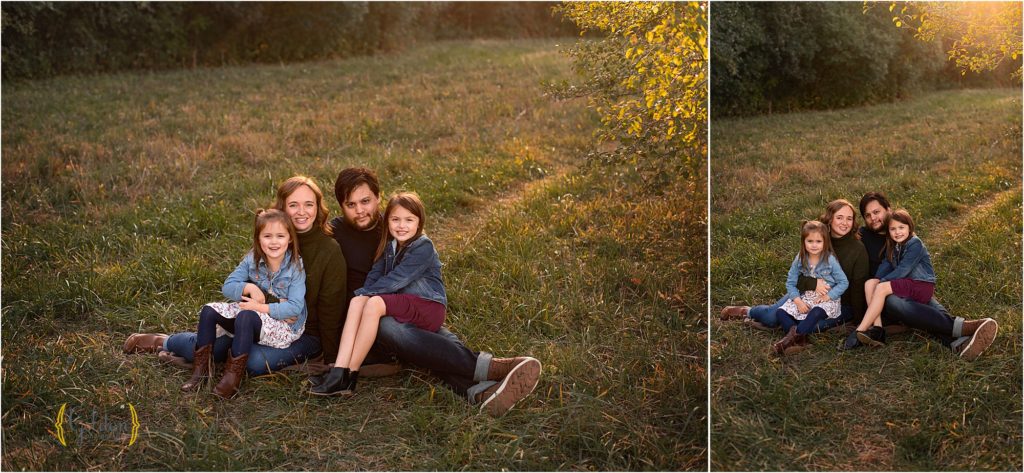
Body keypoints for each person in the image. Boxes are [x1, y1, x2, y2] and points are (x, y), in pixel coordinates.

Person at [325, 167, 543, 416]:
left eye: (366, 201)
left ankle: (480, 390)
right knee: (396, 328)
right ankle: (491, 371)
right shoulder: (335, 232)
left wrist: (367, 295)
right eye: (350, 204)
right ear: (341, 205)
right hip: (370, 321)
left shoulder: (396, 225)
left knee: (432, 339)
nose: (360, 210)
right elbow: (299, 240)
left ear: (378, 198)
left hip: (404, 306)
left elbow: (412, 270)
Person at [124, 176, 347, 375]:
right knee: (208, 349)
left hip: (304, 332)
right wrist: (253, 293)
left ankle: (231, 355)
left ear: (318, 207)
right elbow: (247, 284)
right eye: (293, 205)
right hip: (257, 321)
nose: (301, 212)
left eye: (309, 204)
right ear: (282, 208)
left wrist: (331, 357)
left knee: (255, 363)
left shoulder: (329, 250)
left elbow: (331, 308)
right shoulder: (271, 240)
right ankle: (164, 341)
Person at [312, 192, 451, 396]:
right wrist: (361, 296)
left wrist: (365, 294)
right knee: (358, 301)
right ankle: (340, 373)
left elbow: (397, 279)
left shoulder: (423, 246)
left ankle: (350, 373)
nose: (401, 225)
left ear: (419, 222)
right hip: (406, 304)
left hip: (429, 307)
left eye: (408, 220)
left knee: (373, 302)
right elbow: (375, 274)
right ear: (388, 222)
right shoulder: (390, 246)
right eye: (395, 219)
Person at [837, 192, 998, 358]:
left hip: (907, 285)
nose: (873, 218)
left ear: (888, 210)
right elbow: (839, 235)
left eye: (876, 212)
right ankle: (964, 329)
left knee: (928, 305)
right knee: (895, 301)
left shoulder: (904, 236)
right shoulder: (862, 235)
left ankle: (959, 343)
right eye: (867, 215)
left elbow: (909, 267)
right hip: (881, 296)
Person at [180, 209, 307, 398]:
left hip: (285, 326)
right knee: (209, 310)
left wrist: (260, 307)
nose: (274, 242)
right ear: (258, 239)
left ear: (289, 238)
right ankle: (201, 373)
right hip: (256, 312)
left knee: (246, 316)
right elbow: (228, 287)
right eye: (267, 236)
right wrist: (249, 287)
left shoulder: (295, 267)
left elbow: (295, 308)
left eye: (280, 236)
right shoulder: (252, 259)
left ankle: (231, 379)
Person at [721, 199, 868, 336]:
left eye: (849, 218)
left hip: (838, 302)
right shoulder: (817, 239)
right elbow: (795, 275)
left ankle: (789, 334)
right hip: (806, 292)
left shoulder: (857, 249)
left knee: (811, 326)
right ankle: (747, 311)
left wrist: (858, 320)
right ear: (830, 218)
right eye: (839, 217)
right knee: (772, 318)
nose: (845, 223)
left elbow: (857, 286)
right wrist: (812, 284)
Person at [769, 220, 849, 355]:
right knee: (780, 312)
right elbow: (790, 282)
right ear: (803, 242)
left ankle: (787, 342)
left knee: (816, 312)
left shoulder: (830, 260)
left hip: (826, 299)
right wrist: (798, 301)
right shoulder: (800, 259)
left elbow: (843, 282)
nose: (814, 245)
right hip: (806, 297)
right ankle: (801, 340)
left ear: (825, 242)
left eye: (818, 241)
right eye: (810, 241)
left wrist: (829, 296)